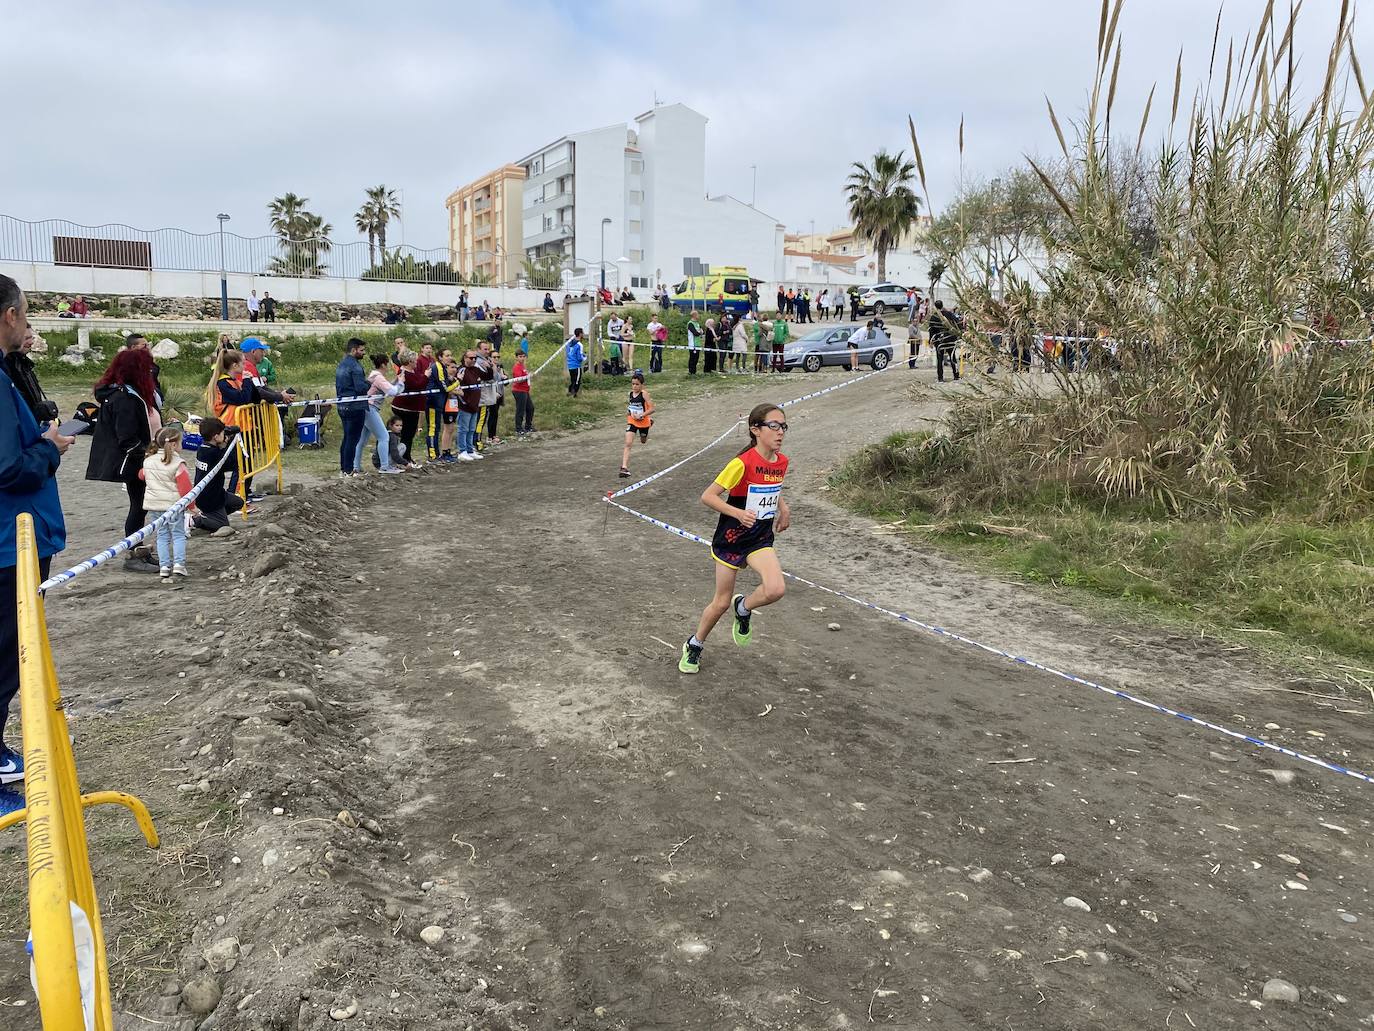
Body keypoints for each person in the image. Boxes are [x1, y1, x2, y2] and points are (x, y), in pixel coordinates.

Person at [0, 276, 71, 809]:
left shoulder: (10, 375)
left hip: (17, 538)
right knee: (6, 655)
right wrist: (48, 448)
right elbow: (8, 467)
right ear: (8, 316)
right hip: (10, 544)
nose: (28, 324)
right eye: (25, 314)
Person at [678, 404, 790, 675]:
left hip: (760, 538)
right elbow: (708, 496)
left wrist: (783, 507)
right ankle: (695, 644)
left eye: (783, 426)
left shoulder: (781, 461)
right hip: (732, 538)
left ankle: (745, 606)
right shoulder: (741, 463)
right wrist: (738, 513)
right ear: (755, 429)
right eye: (773, 426)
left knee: (775, 589)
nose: (780, 432)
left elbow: (772, 487)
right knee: (720, 602)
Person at [87, 348, 160, 570]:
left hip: (141, 457)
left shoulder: (132, 393)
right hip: (135, 461)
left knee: (140, 506)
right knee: (138, 506)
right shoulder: (124, 398)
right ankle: (133, 553)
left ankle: (138, 548)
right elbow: (127, 436)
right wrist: (147, 457)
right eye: (147, 368)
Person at [140, 427, 192, 581]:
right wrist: (192, 506)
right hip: (173, 506)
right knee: (178, 535)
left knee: (162, 536)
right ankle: (179, 564)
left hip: (155, 505)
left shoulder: (148, 461)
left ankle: (164, 566)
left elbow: (141, 475)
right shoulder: (178, 463)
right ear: (175, 445)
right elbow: (186, 488)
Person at [189, 418, 244, 535]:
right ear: (215, 436)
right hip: (210, 499)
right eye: (223, 432)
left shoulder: (203, 448)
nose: (225, 434)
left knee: (238, 503)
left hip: (215, 493)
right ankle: (195, 520)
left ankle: (214, 516)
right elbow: (232, 465)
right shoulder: (213, 453)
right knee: (222, 526)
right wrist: (229, 444)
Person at [358, 354, 402, 474]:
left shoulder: (375, 376)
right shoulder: (378, 377)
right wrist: (401, 383)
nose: (388, 367)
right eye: (387, 364)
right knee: (384, 437)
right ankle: (384, 466)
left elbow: (386, 387)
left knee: (362, 440)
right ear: (383, 364)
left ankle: (355, 466)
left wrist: (397, 380)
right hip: (370, 408)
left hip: (366, 408)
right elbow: (393, 391)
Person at [5, 324, 54, 423]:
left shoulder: (24, 363)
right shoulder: (7, 367)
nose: (31, 342)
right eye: (26, 338)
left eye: (31, 338)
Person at [335, 338, 370, 476]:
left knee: (347, 438)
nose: (364, 353)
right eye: (361, 350)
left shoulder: (342, 364)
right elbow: (361, 388)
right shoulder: (355, 366)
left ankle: (344, 468)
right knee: (352, 439)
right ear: (354, 350)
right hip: (355, 406)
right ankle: (348, 470)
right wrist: (369, 383)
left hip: (342, 405)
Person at [391, 348, 429, 463]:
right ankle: (404, 458)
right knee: (407, 434)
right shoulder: (404, 373)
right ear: (409, 362)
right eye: (415, 361)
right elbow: (417, 385)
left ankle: (406, 456)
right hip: (405, 408)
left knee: (409, 433)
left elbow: (418, 381)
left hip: (412, 408)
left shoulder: (413, 371)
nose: (416, 363)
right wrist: (426, 376)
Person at [619, 371, 654, 478]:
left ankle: (649, 423)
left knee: (643, 441)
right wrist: (629, 412)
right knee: (628, 443)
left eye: (637, 384)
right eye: (633, 384)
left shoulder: (644, 394)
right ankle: (624, 468)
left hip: (643, 422)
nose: (634, 386)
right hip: (632, 421)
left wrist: (642, 415)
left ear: (642, 385)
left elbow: (653, 408)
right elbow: (631, 406)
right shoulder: (630, 394)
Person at [456, 349, 483, 460]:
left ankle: (470, 449)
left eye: (475, 358)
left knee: (472, 429)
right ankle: (462, 450)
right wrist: (464, 401)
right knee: (463, 429)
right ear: (465, 358)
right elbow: (457, 386)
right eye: (471, 358)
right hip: (465, 404)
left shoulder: (476, 370)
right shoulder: (462, 370)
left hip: (475, 404)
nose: (473, 360)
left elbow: (487, 376)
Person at [473, 341, 500, 448]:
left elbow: (496, 377)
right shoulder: (479, 362)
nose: (487, 351)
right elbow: (490, 379)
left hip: (488, 395)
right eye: (485, 349)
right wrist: (492, 370)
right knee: (480, 420)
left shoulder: (487, 360)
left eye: (488, 349)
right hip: (482, 396)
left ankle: (477, 440)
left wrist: (493, 371)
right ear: (478, 350)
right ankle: (477, 441)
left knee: (482, 419)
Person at [929, 301, 961, 382]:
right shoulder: (949, 314)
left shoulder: (934, 317)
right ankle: (956, 375)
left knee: (940, 359)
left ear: (935, 307)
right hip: (950, 338)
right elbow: (957, 322)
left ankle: (940, 378)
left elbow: (931, 330)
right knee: (953, 358)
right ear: (942, 305)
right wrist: (959, 333)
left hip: (939, 340)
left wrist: (931, 340)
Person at [511, 350, 534, 434]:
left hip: (525, 390)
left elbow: (524, 376)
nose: (522, 358)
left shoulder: (523, 366)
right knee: (520, 410)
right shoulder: (517, 367)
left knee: (530, 408)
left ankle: (528, 426)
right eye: (520, 357)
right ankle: (518, 428)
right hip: (519, 391)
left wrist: (529, 375)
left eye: (524, 356)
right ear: (516, 357)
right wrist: (527, 376)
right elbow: (518, 380)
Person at [566, 328, 585, 397]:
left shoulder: (570, 343)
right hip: (576, 365)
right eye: (582, 333)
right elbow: (579, 357)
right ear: (580, 334)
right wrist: (585, 358)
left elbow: (569, 353)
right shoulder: (579, 345)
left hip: (570, 365)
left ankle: (570, 391)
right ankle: (574, 393)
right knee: (577, 380)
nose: (583, 334)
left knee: (573, 379)